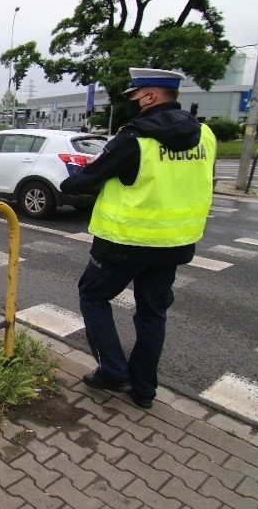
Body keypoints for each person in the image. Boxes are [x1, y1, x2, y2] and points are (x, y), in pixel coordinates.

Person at [60, 67, 216, 409]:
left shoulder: (135, 139)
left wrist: (67, 185)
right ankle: (144, 390)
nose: (133, 102)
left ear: (151, 96)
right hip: (175, 243)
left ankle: (113, 371)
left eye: (135, 95)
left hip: (124, 243)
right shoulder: (205, 135)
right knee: (152, 313)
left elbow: (89, 178)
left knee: (92, 296)